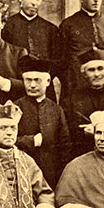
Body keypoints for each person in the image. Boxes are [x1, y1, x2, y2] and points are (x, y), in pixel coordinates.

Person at [2, 0, 62, 99]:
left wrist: (46, 77)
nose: (34, 2)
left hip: (44, 90)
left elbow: (58, 60)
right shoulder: (8, 26)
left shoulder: (50, 29)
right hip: (17, 88)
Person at [15, 55, 71, 188]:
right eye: (28, 80)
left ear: (47, 81)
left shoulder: (56, 110)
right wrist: (30, 141)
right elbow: (5, 140)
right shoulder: (16, 107)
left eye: (37, 80)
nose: (32, 85)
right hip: (22, 170)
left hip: (51, 173)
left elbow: (65, 144)